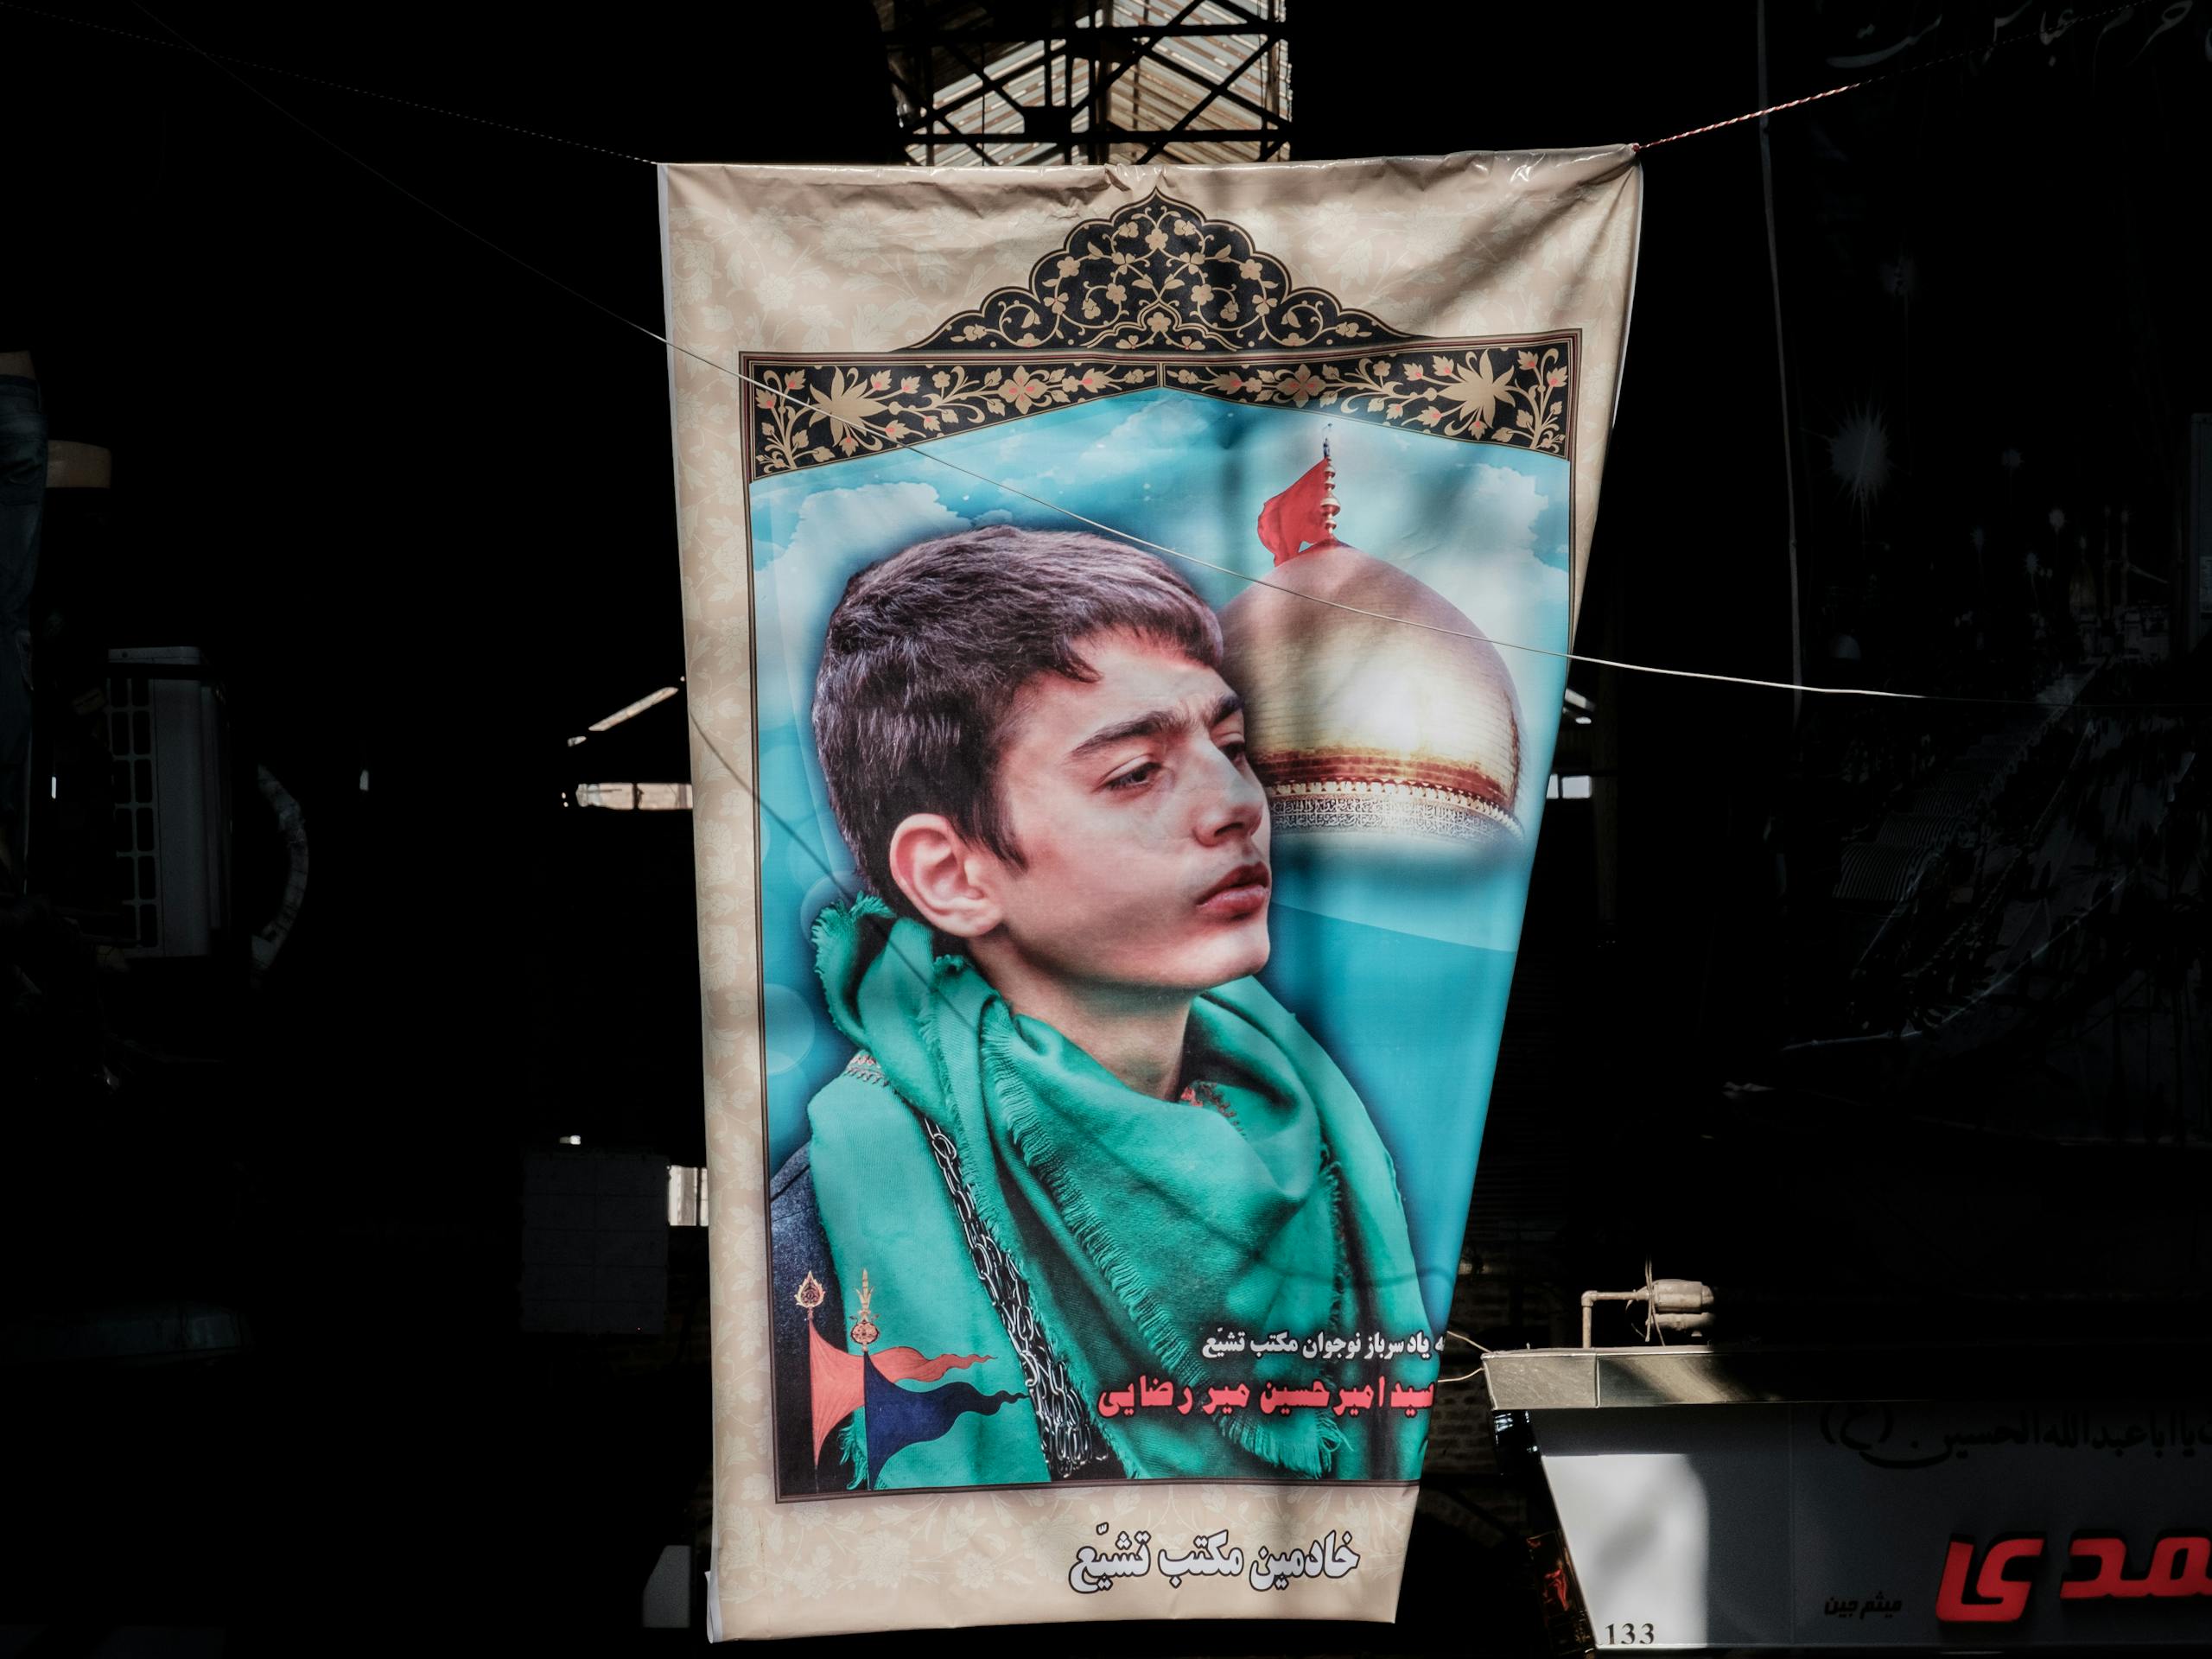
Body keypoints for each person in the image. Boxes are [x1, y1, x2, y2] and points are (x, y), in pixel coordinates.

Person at [771, 524, 1433, 1492]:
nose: (1237, 803)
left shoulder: (1324, 1153)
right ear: (952, 873)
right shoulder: (821, 1233)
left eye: (1230, 744)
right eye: (1135, 773)